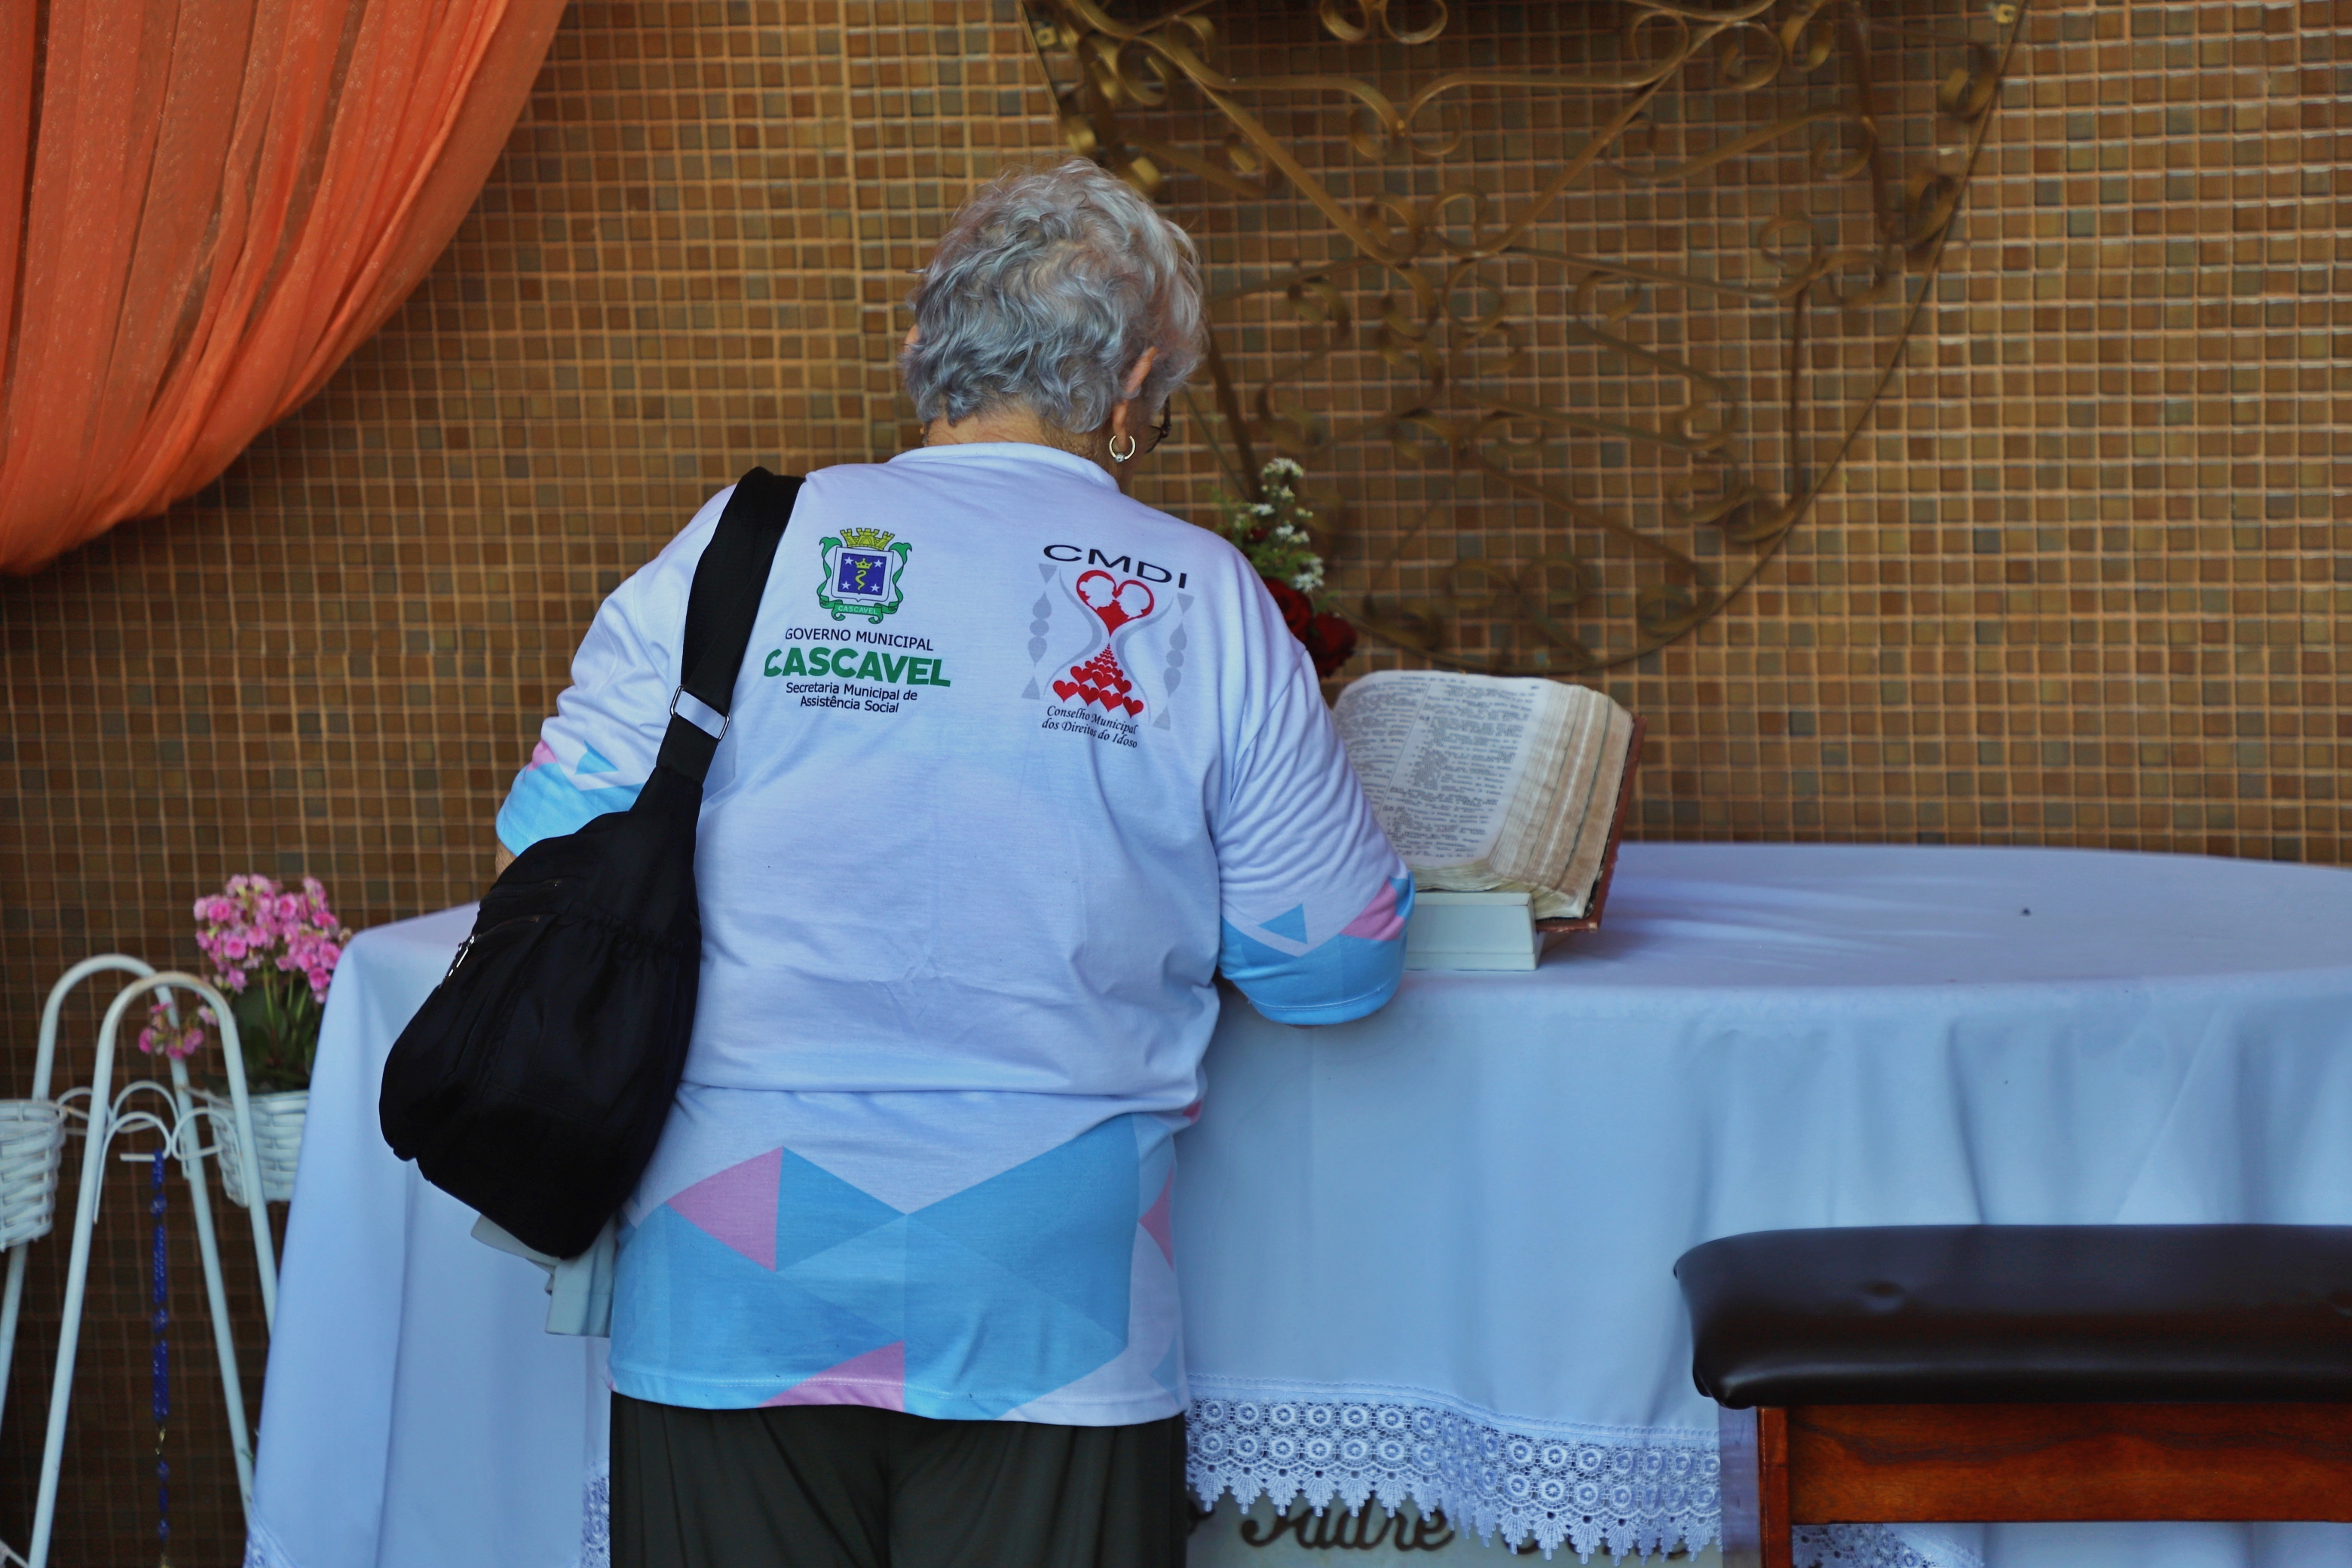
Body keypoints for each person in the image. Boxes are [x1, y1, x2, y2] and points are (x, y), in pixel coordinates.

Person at [491, 159, 1411, 1568]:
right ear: (1135, 383)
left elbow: (547, 852)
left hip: (729, 1258)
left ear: (923, 344)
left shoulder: (735, 548)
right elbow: (1332, 968)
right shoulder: (1203, 596)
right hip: (1052, 1285)